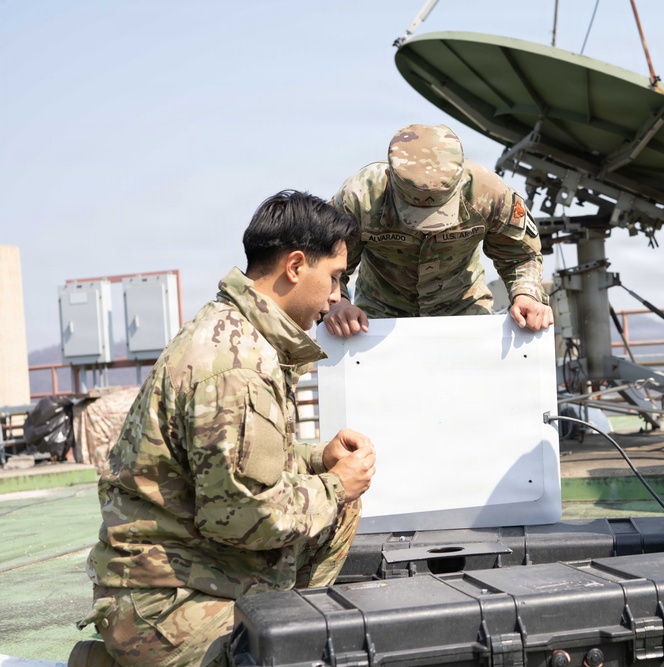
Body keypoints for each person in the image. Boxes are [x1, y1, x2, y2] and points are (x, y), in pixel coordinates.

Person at [72, 191, 377, 667]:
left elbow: (233, 465)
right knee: (303, 646)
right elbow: (243, 517)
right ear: (295, 266)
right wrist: (335, 485)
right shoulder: (237, 366)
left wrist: (319, 460)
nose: (337, 295)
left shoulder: (237, 334)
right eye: (334, 278)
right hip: (166, 602)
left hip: (190, 574)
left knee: (341, 506)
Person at [323, 123, 553, 338]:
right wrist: (339, 303)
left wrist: (526, 294)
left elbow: (521, 255)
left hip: (462, 308)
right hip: (380, 313)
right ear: (389, 178)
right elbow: (326, 262)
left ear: (460, 180)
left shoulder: (491, 194)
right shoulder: (358, 198)